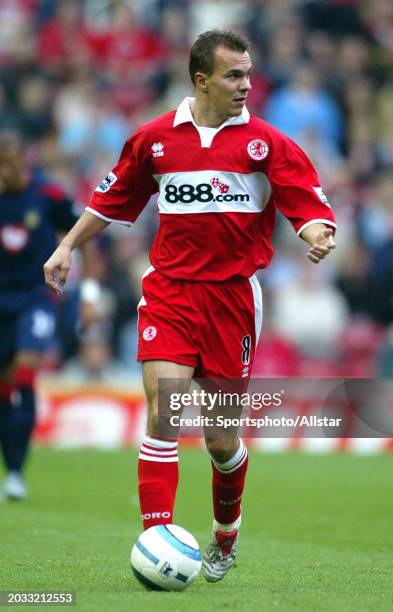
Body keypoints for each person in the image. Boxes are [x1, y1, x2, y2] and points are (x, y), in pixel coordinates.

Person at [43, 30, 336, 583]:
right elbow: (110, 200)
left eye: (248, 74)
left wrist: (317, 233)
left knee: (222, 442)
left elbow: (306, 200)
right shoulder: (155, 140)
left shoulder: (267, 143)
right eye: (233, 75)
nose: (246, 85)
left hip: (232, 300)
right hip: (170, 292)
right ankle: (157, 539)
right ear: (201, 79)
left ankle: (226, 533)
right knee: (165, 409)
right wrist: (66, 245)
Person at [0, 131, 94, 501]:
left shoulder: (48, 195)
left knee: (25, 374)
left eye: (8, 164)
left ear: (23, 162)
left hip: (35, 297)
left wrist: (89, 292)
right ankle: (14, 469)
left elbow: (85, 235)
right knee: (5, 390)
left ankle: (17, 473)